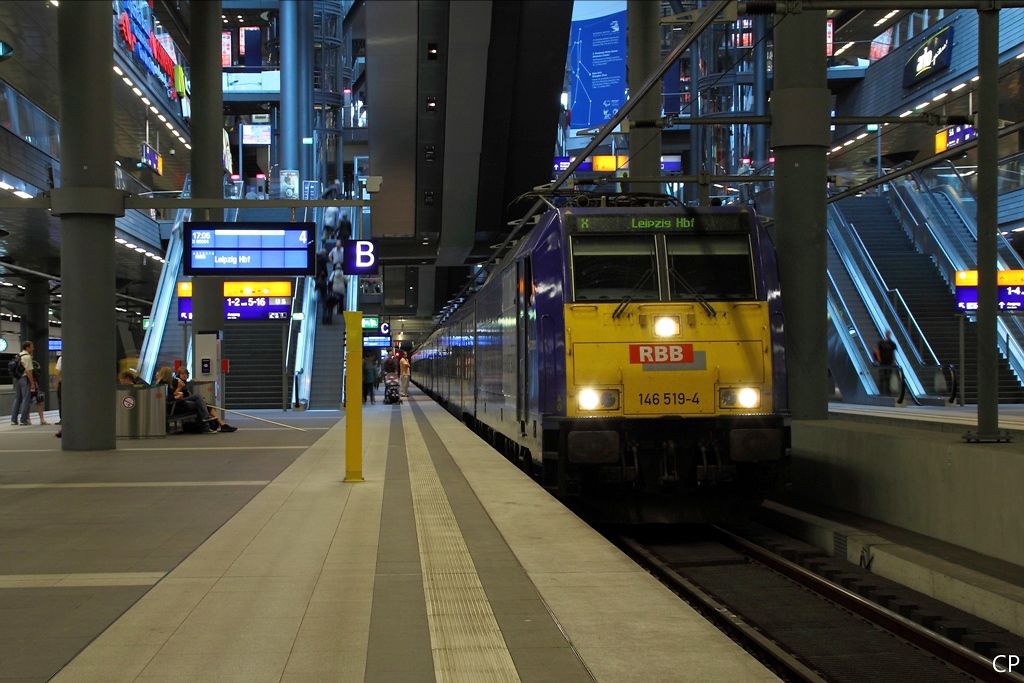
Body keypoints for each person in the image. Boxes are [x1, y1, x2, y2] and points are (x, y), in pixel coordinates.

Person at [154, 366, 218, 433]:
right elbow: (169, 398)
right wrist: (178, 395)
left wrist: (179, 394)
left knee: (198, 398)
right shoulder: (166, 384)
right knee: (198, 402)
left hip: (177, 403)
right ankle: (205, 423)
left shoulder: (164, 384)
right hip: (175, 405)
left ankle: (206, 422)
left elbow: (171, 395)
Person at [174, 367, 237, 432]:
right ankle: (206, 417)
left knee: (208, 406)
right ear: (179, 374)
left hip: (187, 400)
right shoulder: (176, 381)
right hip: (180, 402)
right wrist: (179, 388)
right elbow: (174, 395)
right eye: (182, 374)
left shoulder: (184, 383)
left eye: (186, 374)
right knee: (198, 397)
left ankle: (222, 425)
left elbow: (188, 394)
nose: (184, 375)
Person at [10, 341, 35, 426]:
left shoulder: (19, 355)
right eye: (32, 346)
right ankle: (23, 420)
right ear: (27, 347)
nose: (33, 348)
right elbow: (28, 371)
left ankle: (13, 420)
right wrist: (32, 383)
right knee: (25, 399)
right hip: (24, 378)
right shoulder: (27, 357)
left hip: (17, 379)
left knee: (17, 399)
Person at [873, 330, 898, 395]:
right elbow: (877, 351)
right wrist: (879, 359)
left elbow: (893, 353)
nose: (887, 335)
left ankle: (888, 391)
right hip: (882, 362)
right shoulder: (881, 343)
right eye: (887, 334)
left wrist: (893, 361)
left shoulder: (892, 344)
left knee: (888, 377)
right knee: (882, 376)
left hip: (889, 362)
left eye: (888, 334)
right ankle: (881, 391)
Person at [29, 360, 50, 425]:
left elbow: (38, 373)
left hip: (34, 384)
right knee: (28, 402)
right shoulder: (29, 363)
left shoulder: (34, 363)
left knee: (37, 402)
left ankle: (41, 419)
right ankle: (28, 418)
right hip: (31, 384)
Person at [54, 353, 62, 425]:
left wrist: (56, 382)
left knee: (61, 401)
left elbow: (57, 372)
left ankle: (62, 418)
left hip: (62, 383)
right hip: (73, 384)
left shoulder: (61, 358)